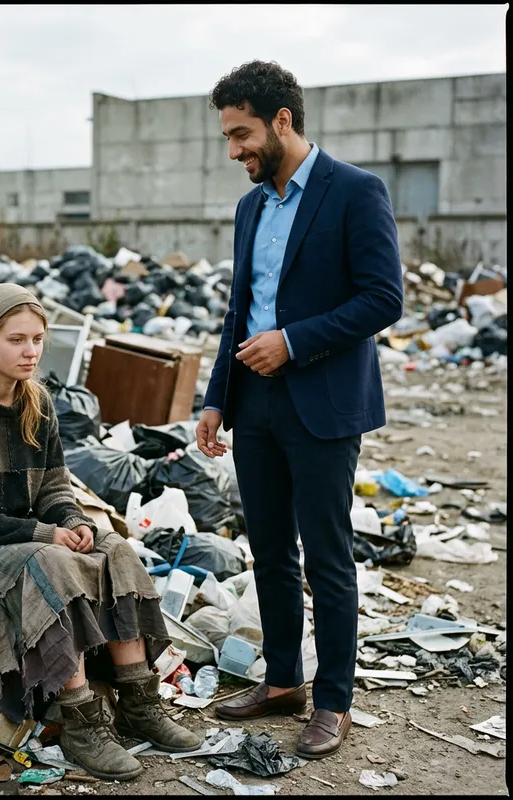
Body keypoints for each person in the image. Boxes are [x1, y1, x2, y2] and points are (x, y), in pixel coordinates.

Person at [0, 283, 202, 780]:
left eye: (37, 339)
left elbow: (55, 486)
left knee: (114, 547)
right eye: (17, 340)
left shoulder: (36, 401)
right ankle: (82, 721)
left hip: (15, 537)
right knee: (53, 561)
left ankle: (138, 699)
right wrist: (44, 535)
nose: (31, 352)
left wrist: (73, 521)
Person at [196, 60, 404, 759]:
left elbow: (384, 298)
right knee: (270, 551)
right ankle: (283, 680)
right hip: (254, 403)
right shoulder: (250, 207)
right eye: (228, 137)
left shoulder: (356, 192)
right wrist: (217, 398)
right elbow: (240, 310)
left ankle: (334, 700)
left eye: (242, 134)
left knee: (328, 557)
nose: (234, 151)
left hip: (323, 403)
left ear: (282, 121)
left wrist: (293, 342)